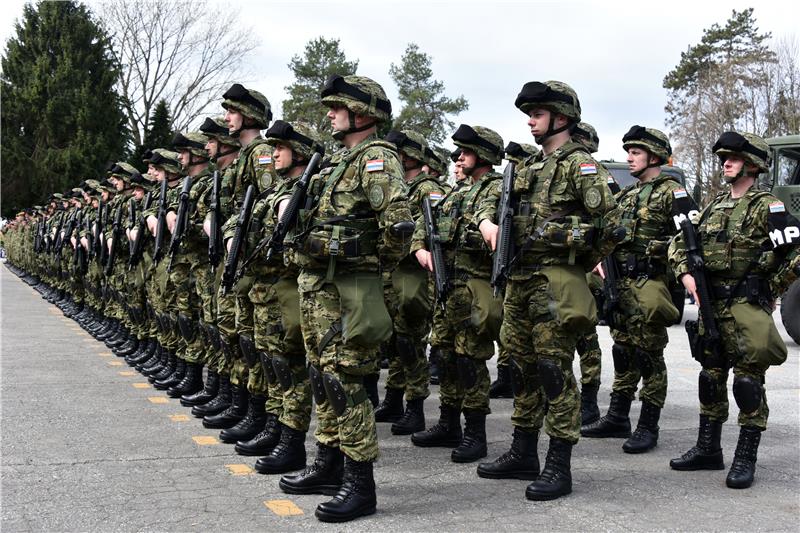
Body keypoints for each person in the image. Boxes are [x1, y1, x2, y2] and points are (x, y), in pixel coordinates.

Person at [278, 74, 412, 523]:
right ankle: (329, 463)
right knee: (322, 377)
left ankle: (360, 484)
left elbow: (398, 227)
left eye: (337, 107)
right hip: (320, 289)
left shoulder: (375, 158)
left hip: (348, 290)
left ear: (363, 114)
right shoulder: (341, 159)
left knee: (345, 383)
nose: (330, 114)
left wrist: (369, 267)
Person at [475, 81, 616, 500]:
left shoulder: (581, 165)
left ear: (561, 117)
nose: (530, 120)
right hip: (519, 282)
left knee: (555, 373)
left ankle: (558, 463)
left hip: (554, 283)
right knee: (521, 370)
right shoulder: (530, 167)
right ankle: (522, 452)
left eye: (537, 113)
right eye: (530, 114)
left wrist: (580, 256)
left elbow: (612, 223)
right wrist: (487, 223)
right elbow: (489, 203)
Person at [668, 131, 800, 488]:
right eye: (724, 157)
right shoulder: (713, 205)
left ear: (752, 164)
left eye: (734, 158)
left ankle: (745, 458)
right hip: (711, 305)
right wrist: (684, 274)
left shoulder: (766, 206)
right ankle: (708, 449)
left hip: (744, 306)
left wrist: (770, 286)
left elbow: (796, 252)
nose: (726, 162)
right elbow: (679, 243)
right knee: (710, 378)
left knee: (747, 383)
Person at [581, 126, 698, 454]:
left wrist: (654, 252)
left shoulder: (671, 193)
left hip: (649, 284)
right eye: (629, 152)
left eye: (636, 153)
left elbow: (688, 239)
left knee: (649, 357)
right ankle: (618, 416)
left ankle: (648, 425)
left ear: (654, 156)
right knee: (622, 351)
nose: (629, 158)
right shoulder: (627, 195)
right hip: (621, 286)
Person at [410, 124, 505, 464]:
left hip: (472, 285)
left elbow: (490, 225)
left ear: (483, 156)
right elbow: (428, 221)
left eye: (466, 151)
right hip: (446, 287)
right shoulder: (456, 189)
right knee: (446, 354)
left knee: (470, 360)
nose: (459, 157)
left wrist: (473, 226)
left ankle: (476, 433)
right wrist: (420, 246)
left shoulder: (495, 189)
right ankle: (449, 423)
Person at [374, 128, 446, 435]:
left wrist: (413, 244)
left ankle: (415, 406)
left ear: (409, 156)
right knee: (395, 343)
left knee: (410, 343)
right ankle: (393, 400)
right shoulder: (400, 186)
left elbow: (434, 225)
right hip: (393, 273)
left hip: (414, 276)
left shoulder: (428, 188)